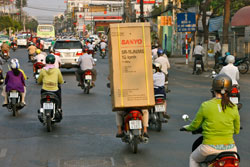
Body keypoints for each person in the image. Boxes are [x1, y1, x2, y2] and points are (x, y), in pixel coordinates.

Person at [180, 74, 240, 167]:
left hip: (209, 148)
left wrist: (187, 128)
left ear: (213, 89)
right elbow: (236, 130)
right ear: (229, 90)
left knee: (193, 158)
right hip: (231, 149)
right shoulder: (233, 107)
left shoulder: (206, 105)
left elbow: (195, 125)